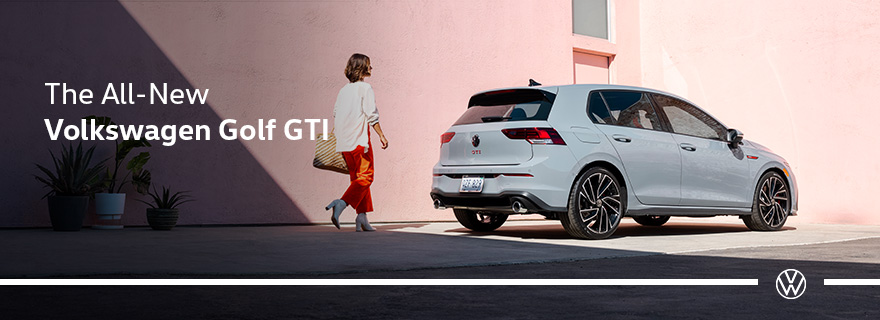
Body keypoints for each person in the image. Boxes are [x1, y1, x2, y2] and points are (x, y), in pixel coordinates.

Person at [325, 53, 389, 232]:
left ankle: (362, 217)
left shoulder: (343, 90)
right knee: (366, 177)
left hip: (344, 142)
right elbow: (371, 114)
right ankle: (342, 203)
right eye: (369, 64)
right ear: (361, 68)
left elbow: (336, 113)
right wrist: (381, 135)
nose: (371, 67)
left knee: (357, 179)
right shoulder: (365, 88)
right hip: (359, 141)